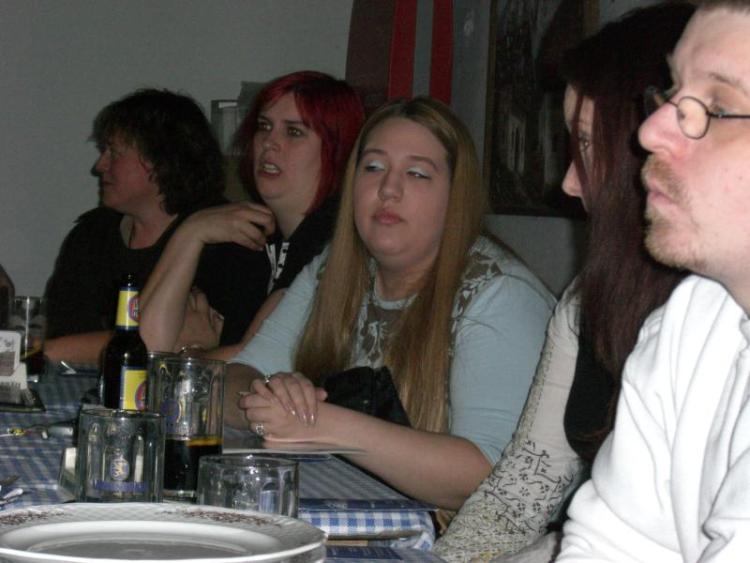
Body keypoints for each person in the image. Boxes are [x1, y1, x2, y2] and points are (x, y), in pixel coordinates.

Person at [433, 3, 692, 561]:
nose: (569, 183)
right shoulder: (584, 301)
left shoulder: (719, 315)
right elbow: (518, 495)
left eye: (588, 145)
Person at [228, 97, 555, 511]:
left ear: (456, 196)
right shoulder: (332, 269)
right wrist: (270, 397)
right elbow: (234, 379)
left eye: (417, 174)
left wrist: (320, 423)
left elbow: (490, 476)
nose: (388, 189)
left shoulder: (499, 295)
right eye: (373, 167)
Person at [557, 1, 750, 560]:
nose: (649, 129)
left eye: (718, 106)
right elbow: (613, 542)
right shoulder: (693, 319)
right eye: (671, 91)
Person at [139, 71, 365, 357]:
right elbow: (143, 345)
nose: (269, 142)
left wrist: (187, 358)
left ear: (336, 149)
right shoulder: (249, 233)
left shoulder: (334, 234)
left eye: (294, 132)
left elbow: (255, 358)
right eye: (264, 126)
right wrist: (190, 233)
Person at [44, 88, 267, 365]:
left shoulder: (225, 240)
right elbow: (66, 337)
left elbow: (235, 350)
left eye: (114, 152)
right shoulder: (91, 234)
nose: (100, 165)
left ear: (162, 161)